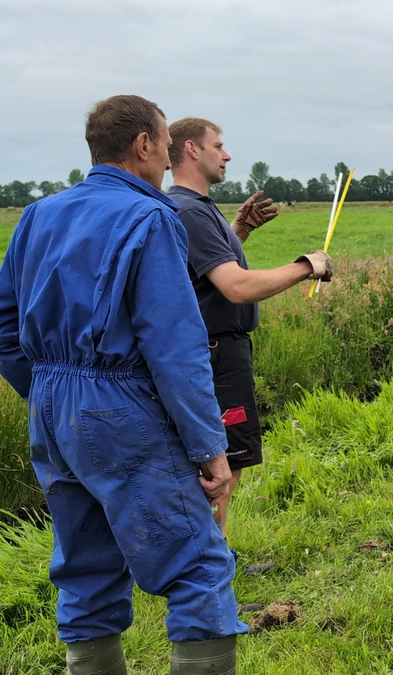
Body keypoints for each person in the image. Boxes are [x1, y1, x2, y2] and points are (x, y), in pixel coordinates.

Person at [0, 95, 246, 673]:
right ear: (143, 144)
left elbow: (5, 325)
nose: (165, 161)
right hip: (121, 407)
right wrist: (210, 448)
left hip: (53, 411)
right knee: (197, 567)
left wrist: (42, 392)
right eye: (163, 145)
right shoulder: (152, 216)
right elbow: (174, 348)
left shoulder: (38, 215)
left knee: (84, 567)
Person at [166, 117, 332, 544]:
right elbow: (236, 287)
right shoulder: (190, 210)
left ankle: (211, 565)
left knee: (221, 463)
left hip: (214, 351)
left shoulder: (195, 208)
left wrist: (239, 230)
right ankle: (209, 569)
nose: (226, 155)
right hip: (217, 355)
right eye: (218, 146)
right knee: (222, 467)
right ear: (190, 150)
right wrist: (305, 266)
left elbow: (202, 275)